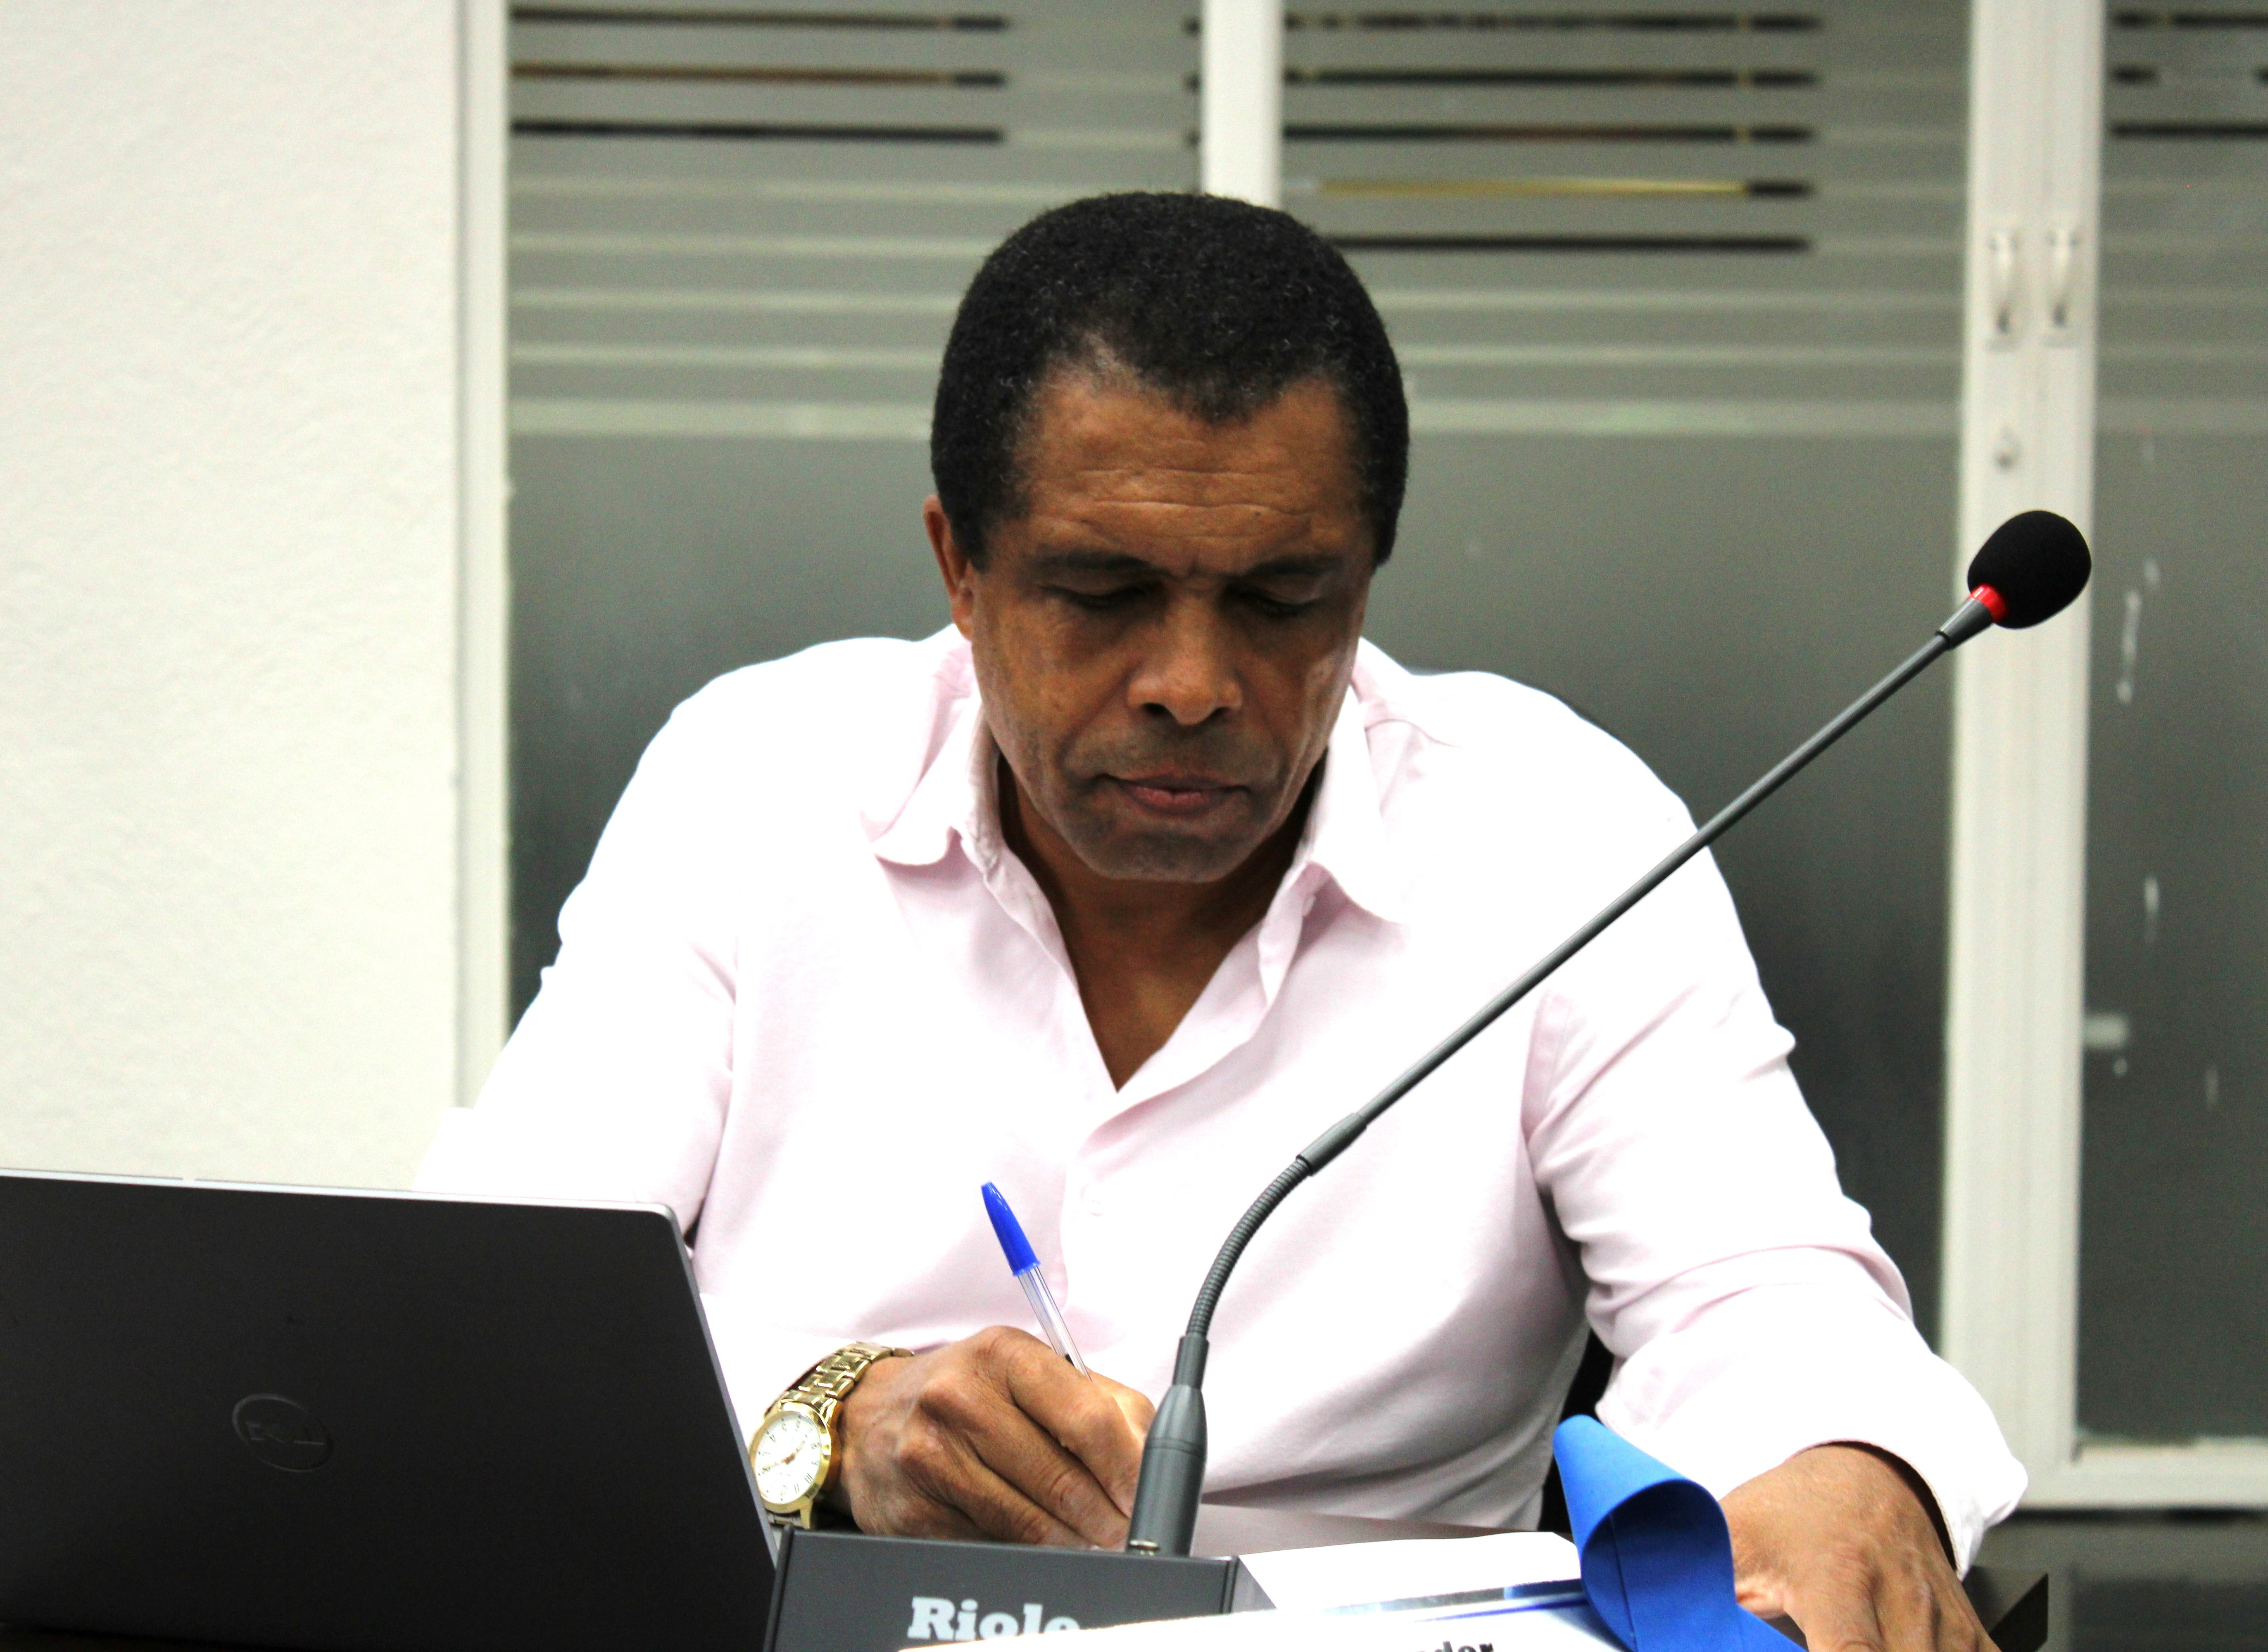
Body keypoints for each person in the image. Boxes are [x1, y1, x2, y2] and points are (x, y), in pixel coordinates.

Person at [418, 192, 2023, 1651]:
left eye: (1280, 599)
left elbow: (1763, 1289)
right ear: (960, 567)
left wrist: (1843, 1458)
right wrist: (834, 1423)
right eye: (1102, 592)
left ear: (1368, 579)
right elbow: (492, 1318)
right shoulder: (758, 783)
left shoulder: (1557, 838)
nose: (1192, 682)